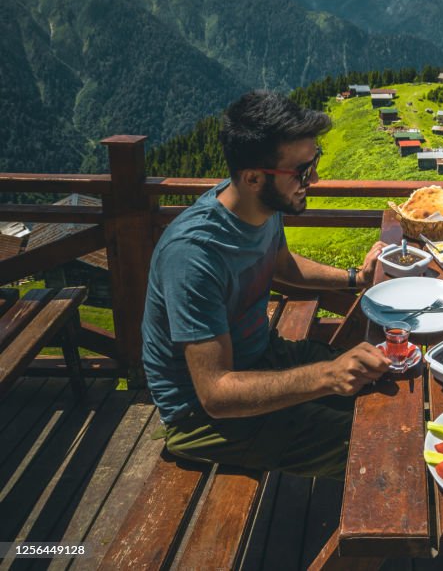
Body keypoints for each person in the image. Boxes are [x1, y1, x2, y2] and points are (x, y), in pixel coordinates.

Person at [141, 90, 391, 480]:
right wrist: (327, 375)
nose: (316, 179)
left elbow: (283, 266)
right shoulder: (192, 255)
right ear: (254, 177)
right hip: (199, 416)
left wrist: (355, 278)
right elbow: (215, 393)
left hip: (260, 356)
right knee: (375, 447)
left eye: (315, 162)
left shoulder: (261, 207)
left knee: (381, 390)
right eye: (303, 172)